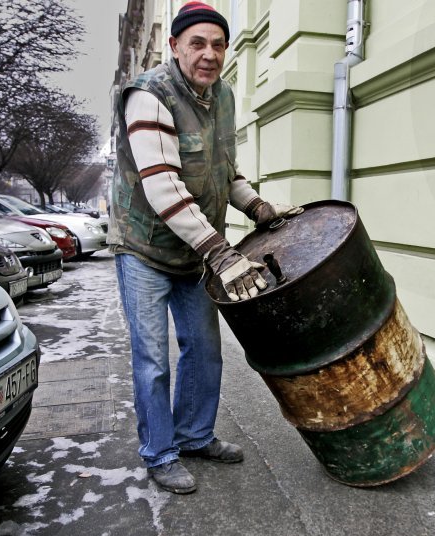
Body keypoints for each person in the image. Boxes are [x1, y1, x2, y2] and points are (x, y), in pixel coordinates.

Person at [107, 1, 301, 494]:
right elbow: (164, 185)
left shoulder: (225, 96)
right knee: (153, 359)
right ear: (175, 46)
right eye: (198, 43)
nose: (209, 54)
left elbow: (223, 171)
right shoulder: (148, 96)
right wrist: (219, 250)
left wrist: (257, 207)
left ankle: (194, 436)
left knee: (205, 351)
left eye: (218, 44)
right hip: (145, 248)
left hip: (193, 251)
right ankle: (160, 452)